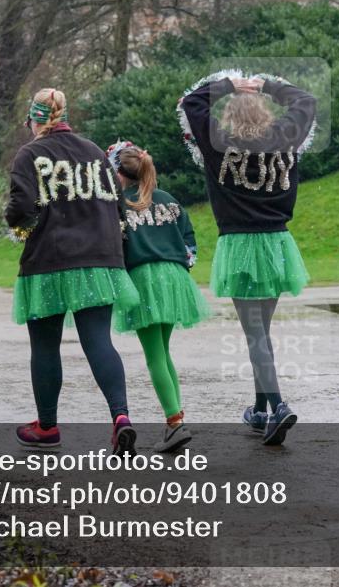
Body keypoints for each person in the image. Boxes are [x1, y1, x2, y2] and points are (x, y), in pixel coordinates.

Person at [180, 73, 316, 446]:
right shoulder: (285, 137)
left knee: (255, 334)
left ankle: (278, 405)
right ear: (265, 114)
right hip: (276, 244)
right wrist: (267, 84)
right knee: (261, 333)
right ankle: (260, 410)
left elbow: (191, 103)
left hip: (240, 244)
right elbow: (306, 101)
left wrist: (228, 85)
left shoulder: (218, 143)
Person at [6, 89, 140, 455]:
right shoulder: (96, 152)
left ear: (35, 119)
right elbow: (118, 207)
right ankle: (121, 417)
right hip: (99, 258)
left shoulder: (30, 154)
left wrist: (21, 227)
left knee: (45, 345)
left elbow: (20, 207)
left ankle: (47, 427)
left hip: (49, 259)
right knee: (99, 340)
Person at [106, 140, 212, 453]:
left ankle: (175, 421)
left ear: (118, 174)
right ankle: (174, 422)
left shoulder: (118, 203)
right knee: (163, 353)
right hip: (176, 278)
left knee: (154, 356)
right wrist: (183, 263)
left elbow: (114, 245)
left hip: (144, 279)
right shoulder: (169, 200)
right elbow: (189, 239)